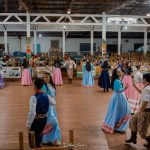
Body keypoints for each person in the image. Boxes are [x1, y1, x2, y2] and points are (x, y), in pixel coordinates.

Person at [26, 78, 56, 148]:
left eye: (33, 84)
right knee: (39, 136)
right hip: (44, 119)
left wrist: (28, 124)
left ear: (35, 86)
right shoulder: (46, 95)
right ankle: (39, 147)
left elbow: (32, 112)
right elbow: (54, 103)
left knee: (32, 137)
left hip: (37, 120)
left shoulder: (33, 97)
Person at [101, 69, 131, 133]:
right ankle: (119, 127)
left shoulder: (117, 79)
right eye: (117, 72)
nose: (119, 72)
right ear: (115, 74)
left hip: (118, 96)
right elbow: (118, 90)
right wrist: (125, 88)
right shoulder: (117, 80)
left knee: (118, 111)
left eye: (119, 71)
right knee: (125, 110)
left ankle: (119, 127)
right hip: (119, 97)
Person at [125, 73, 150, 148]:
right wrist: (134, 86)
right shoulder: (147, 88)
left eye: (143, 78)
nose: (142, 80)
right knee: (133, 119)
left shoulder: (147, 89)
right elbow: (142, 93)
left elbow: (145, 101)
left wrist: (141, 112)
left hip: (145, 111)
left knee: (142, 131)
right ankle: (133, 138)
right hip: (144, 110)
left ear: (145, 79)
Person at [42, 72, 61, 146]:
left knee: (52, 122)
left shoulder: (52, 85)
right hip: (47, 108)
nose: (45, 78)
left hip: (53, 108)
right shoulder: (43, 86)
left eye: (47, 77)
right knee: (52, 123)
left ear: (50, 77)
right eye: (44, 77)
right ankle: (51, 139)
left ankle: (51, 139)